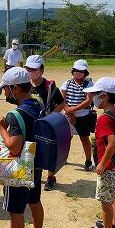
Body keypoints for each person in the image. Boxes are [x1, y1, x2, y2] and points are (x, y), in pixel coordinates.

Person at [0, 67, 46, 228]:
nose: (4, 93)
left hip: (19, 167)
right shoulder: (37, 104)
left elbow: (13, 145)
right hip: (36, 162)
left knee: (16, 211)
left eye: (5, 89)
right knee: (35, 201)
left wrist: (1, 128)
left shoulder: (15, 115)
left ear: (15, 88)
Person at [84, 77, 115, 228]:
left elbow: (113, 142)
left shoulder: (104, 118)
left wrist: (101, 164)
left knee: (106, 200)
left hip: (108, 166)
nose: (93, 98)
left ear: (105, 96)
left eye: (95, 94)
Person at [24, 54, 65, 191]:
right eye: (28, 69)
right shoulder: (25, 85)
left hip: (46, 125)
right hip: (31, 124)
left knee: (49, 151)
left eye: (34, 69)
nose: (31, 72)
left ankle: (51, 177)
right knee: (31, 149)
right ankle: (33, 175)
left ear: (42, 70)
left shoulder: (49, 86)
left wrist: (50, 118)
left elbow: (61, 103)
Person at [60, 59, 95, 171]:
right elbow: (62, 99)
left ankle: (88, 160)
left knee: (84, 138)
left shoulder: (89, 84)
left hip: (82, 116)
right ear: (73, 71)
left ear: (85, 72)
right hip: (67, 115)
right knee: (66, 138)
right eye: (76, 70)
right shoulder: (67, 83)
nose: (78, 73)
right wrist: (69, 112)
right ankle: (63, 158)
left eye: (81, 71)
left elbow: (88, 101)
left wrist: (72, 110)